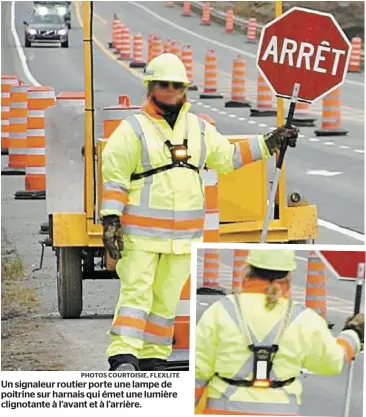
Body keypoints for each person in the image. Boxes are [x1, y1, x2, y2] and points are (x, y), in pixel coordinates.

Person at [100, 53, 299, 372]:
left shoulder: (198, 129)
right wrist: (111, 220)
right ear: (151, 87)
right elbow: (114, 176)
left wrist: (269, 143)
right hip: (141, 234)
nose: (169, 90)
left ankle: (153, 356)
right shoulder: (133, 129)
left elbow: (228, 157)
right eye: (162, 84)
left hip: (183, 238)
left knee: (165, 300)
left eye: (175, 85)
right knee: (136, 294)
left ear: (184, 90)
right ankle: (123, 355)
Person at [195, 249, 364, 415]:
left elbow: (197, 372)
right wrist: (352, 335)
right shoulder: (303, 318)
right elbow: (332, 362)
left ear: (247, 271)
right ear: (288, 278)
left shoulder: (220, 311)